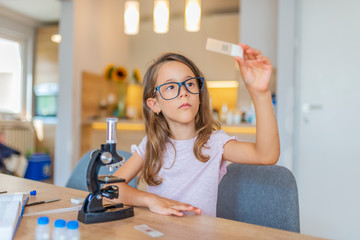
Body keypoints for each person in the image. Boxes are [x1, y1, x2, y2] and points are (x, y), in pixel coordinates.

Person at [109, 43, 280, 217]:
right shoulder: (151, 145)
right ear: (155, 104)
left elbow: (267, 155)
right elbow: (109, 189)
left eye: (190, 84)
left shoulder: (215, 143)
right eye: (171, 87)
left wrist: (261, 92)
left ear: (199, 94)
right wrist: (150, 200)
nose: (184, 92)